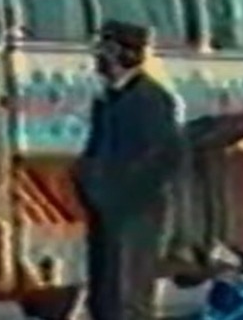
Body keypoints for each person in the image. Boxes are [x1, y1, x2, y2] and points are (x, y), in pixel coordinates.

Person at [72, 21, 187, 320]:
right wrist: (87, 181)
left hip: (136, 212)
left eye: (106, 50)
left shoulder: (152, 99)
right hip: (105, 210)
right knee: (104, 293)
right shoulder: (107, 99)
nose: (99, 58)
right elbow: (95, 150)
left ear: (126, 55)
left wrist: (121, 194)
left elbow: (166, 157)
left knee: (128, 294)